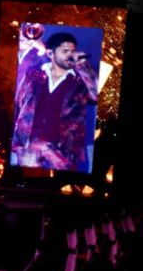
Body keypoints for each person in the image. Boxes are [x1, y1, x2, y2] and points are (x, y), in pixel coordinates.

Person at [11, 31, 98, 172]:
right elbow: (18, 102)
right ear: (51, 54)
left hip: (62, 153)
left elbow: (96, 95)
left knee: (55, 189)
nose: (70, 55)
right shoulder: (34, 76)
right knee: (27, 187)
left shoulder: (80, 83)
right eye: (65, 51)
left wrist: (81, 63)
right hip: (29, 148)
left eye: (72, 51)